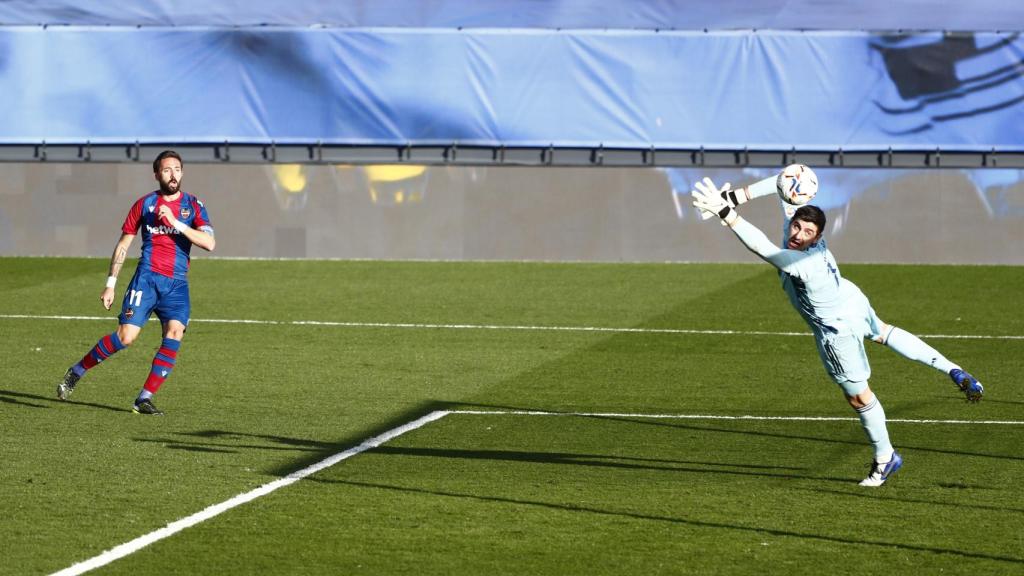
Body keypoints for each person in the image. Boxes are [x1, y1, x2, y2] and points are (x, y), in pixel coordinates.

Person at [691, 172, 983, 487]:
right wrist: (735, 197)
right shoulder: (805, 232)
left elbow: (762, 248)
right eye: (797, 226)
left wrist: (726, 213)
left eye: (807, 232)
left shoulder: (805, 264)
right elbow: (785, 181)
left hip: (836, 330)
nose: (798, 234)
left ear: (817, 239)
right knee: (883, 331)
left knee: (859, 398)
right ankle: (953, 370)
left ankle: (886, 458)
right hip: (849, 298)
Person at [57, 150, 215, 415]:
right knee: (126, 337)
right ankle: (77, 371)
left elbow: (209, 243)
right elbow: (123, 246)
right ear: (157, 175)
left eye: (177, 169)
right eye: (167, 170)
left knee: (174, 333)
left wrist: (175, 222)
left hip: (177, 285)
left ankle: (143, 398)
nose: (173, 174)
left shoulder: (194, 205)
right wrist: (111, 283)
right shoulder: (144, 205)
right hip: (147, 280)